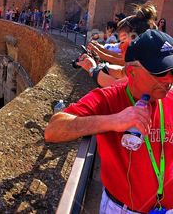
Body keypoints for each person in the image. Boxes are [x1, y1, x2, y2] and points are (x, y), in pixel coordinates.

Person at [45, 29, 173, 213]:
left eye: (172, 71)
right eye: (160, 72)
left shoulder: (170, 98)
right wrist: (114, 121)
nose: (169, 79)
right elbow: (53, 129)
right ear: (132, 72)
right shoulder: (109, 98)